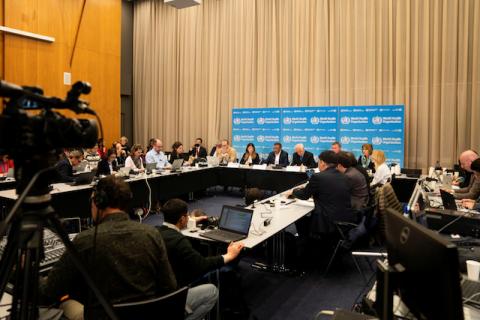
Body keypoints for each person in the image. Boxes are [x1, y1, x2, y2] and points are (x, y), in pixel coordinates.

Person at [41, 176, 177, 319]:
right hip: (148, 315)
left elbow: (48, 292)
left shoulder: (85, 240)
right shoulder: (152, 234)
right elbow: (169, 286)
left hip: (102, 317)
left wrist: (27, 269)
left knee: (64, 302)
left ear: (98, 202)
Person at [157, 199, 244, 320]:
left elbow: (173, 227)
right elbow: (202, 265)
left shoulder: (155, 232)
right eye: (187, 216)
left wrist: (193, 220)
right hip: (173, 294)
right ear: (182, 219)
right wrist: (229, 256)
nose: (188, 218)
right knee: (212, 290)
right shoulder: (180, 241)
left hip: (158, 291)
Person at [287, 150, 355, 234]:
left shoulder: (318, 177)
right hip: (345, 219)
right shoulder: (344, 176)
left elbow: (304, 195)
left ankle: (304, 243)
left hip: (326, 221)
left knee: (300, 220)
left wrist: (293, 192)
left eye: (318, 161)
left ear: (322, 162)